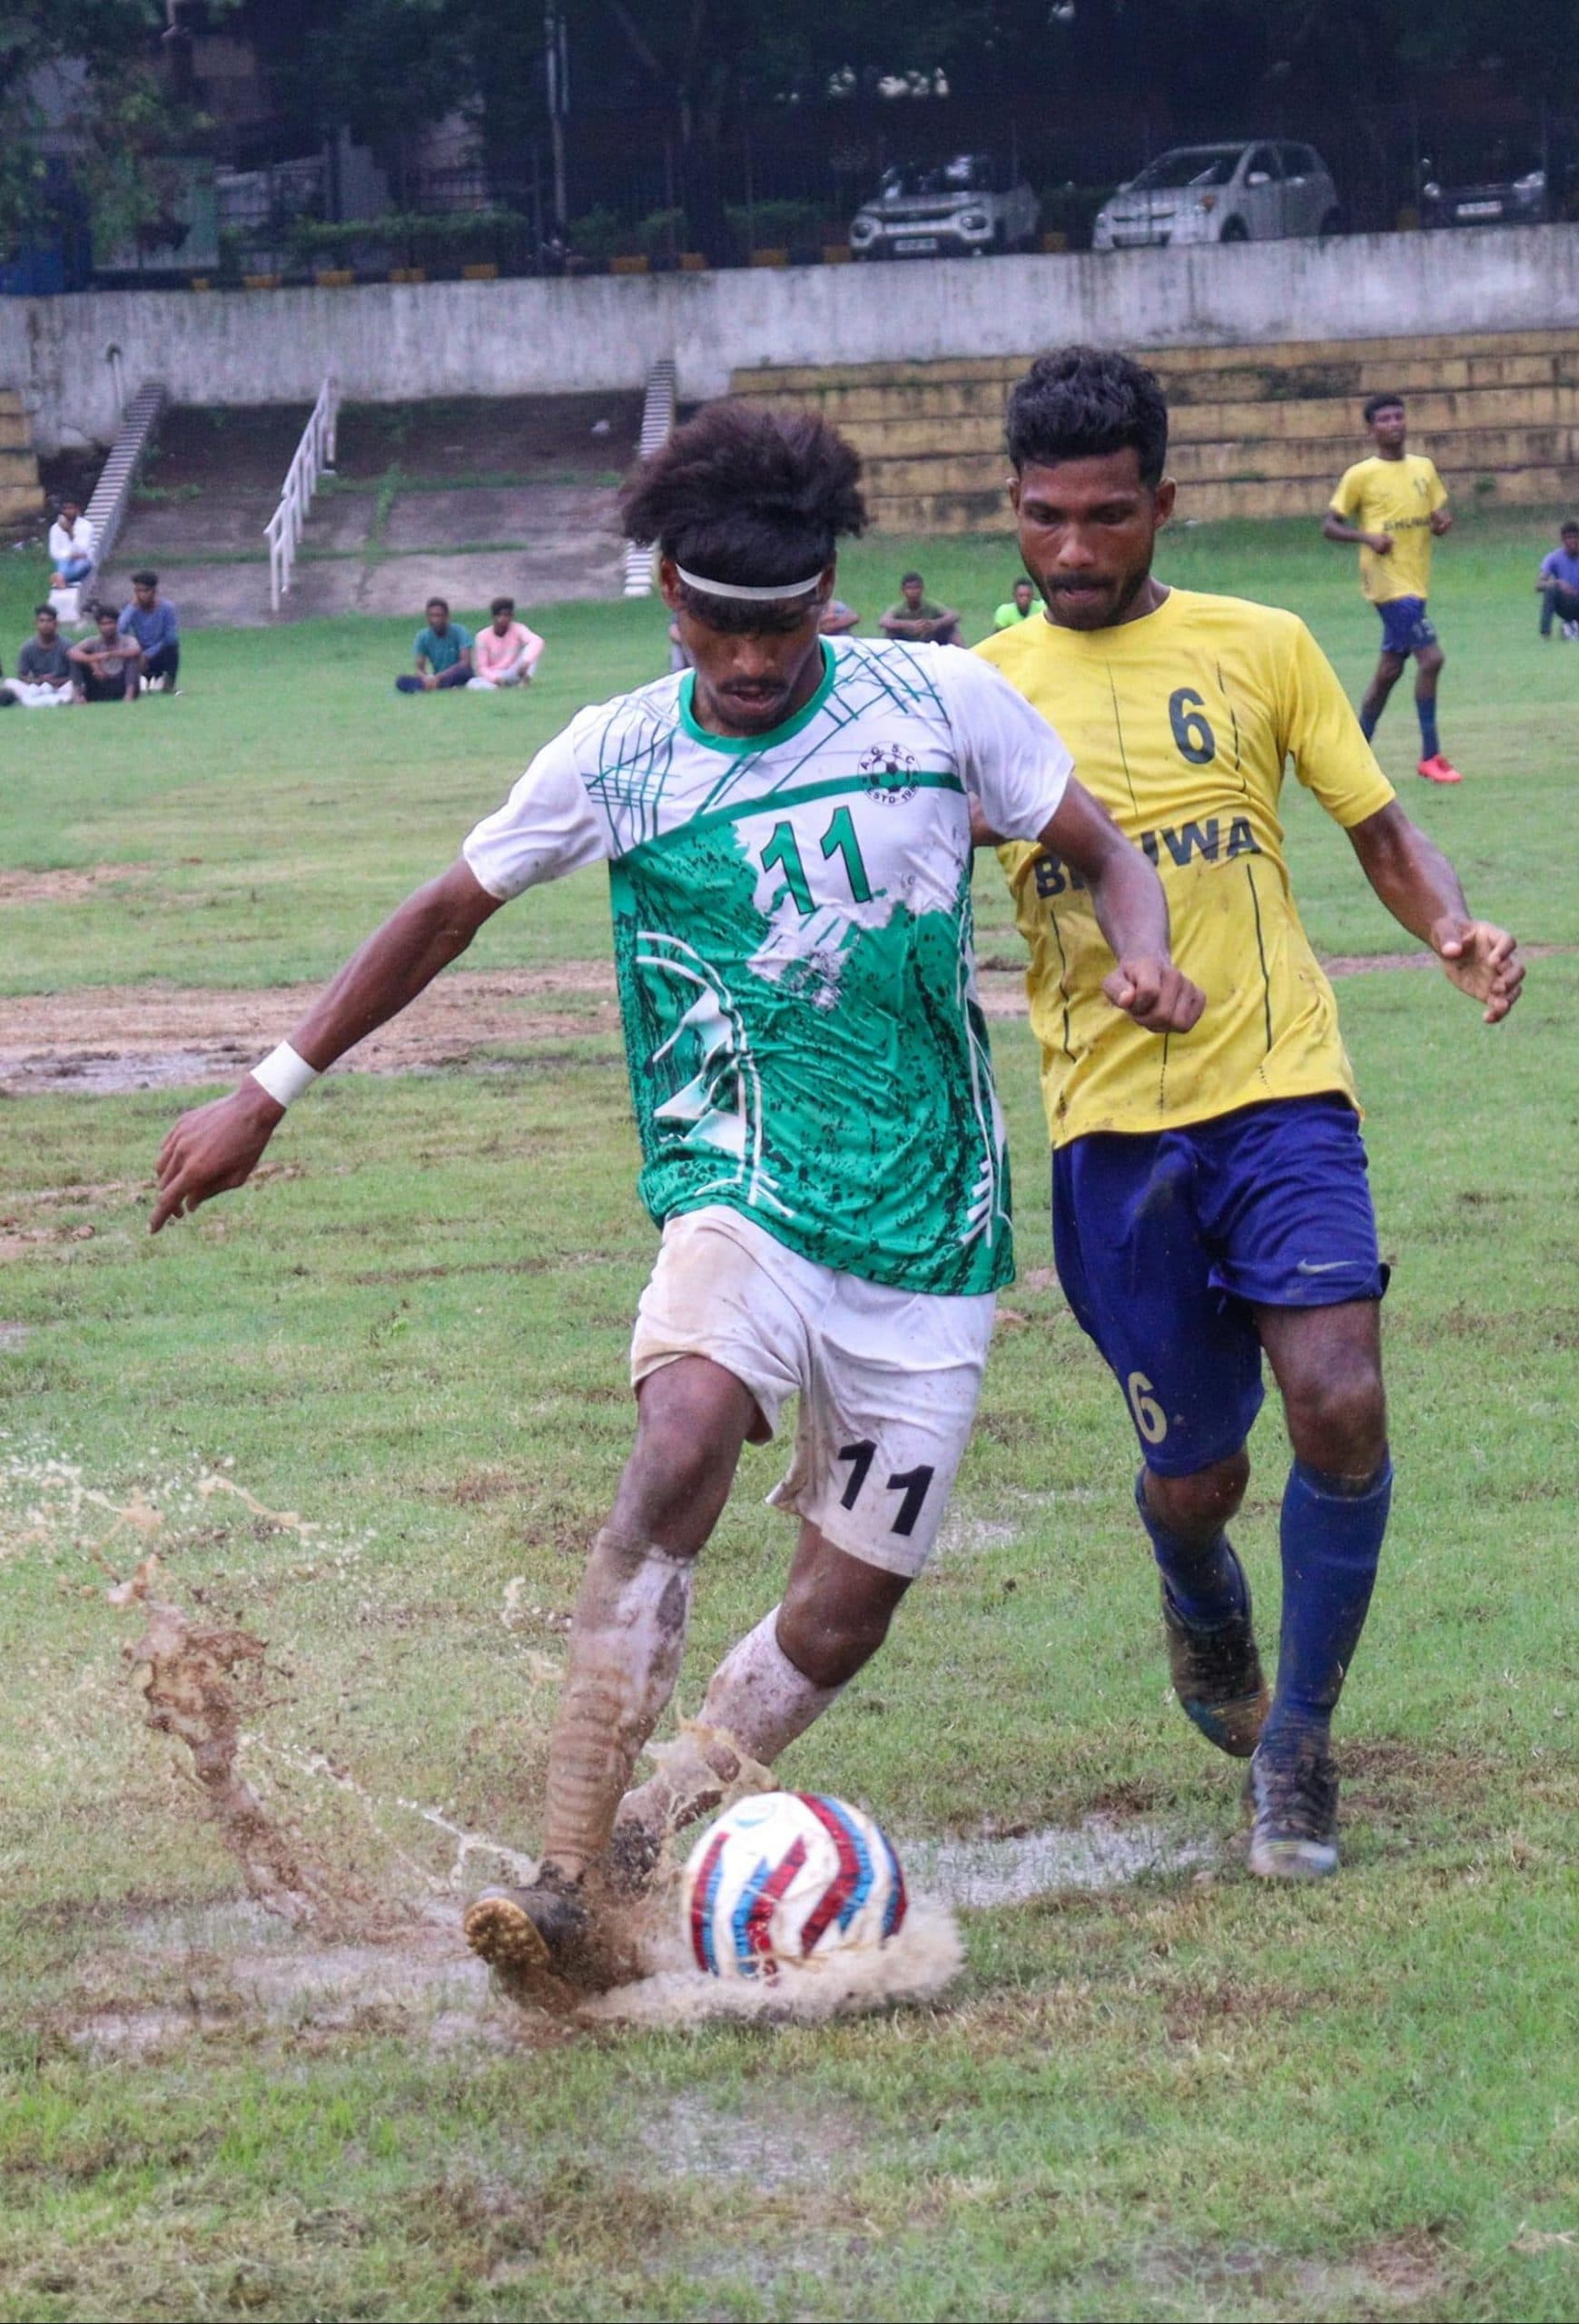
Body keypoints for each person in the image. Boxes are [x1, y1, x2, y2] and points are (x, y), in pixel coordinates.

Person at [149, 399, 1202, 2001]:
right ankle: (565, 1872)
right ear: (667, 598)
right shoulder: (618, 752)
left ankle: (659, 1821)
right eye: (721, 622)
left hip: (931, 1234)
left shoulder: (941, 703)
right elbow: (446, 909)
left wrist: (1142, 945)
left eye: (784, 623)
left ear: (828, 593)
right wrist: (265, 1091)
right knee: (683, 1429)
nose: (757, 658)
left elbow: (1099, 846)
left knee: (842, 1620)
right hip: (741, 1186)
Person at [975, 346, 1523, 1881]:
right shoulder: (978, 697)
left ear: (1162, 501)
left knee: (1339, 1395)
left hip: (1283, 1093)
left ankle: (1296, 1753)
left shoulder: (1265, 645)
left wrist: (1452, 932)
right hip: (1110, 1136)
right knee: (1198, 1472)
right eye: (1041, 521)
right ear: (1009, 515)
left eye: (1103, 517)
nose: (1072, 552)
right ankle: (1191, 1575)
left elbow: (1381, 826)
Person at [1323, 394, 1459, 784]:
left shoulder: (1424, 468)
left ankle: (1353, 755)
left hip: (1416, 578)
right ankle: (1430, 756)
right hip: (1386, 582)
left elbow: (1433, 512)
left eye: (1399, 416)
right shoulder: (1360, 475)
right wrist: (1367, 537)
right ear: (1370, 429)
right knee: (1431, 659)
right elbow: (1329, 525)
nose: (1394, 424)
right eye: (1384, 419)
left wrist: (1439, 523)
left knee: (1389, 671)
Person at [0, 605, 77, 706]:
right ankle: (53, 701)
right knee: (9, 682)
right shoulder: (27, 647)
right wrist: (39, 681)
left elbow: (76, 675)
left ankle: (39, 702)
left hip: (61, 687)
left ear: (56, 623)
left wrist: (54, 681)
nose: (45, 624)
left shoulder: (68, 645)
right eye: (42, 621)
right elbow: (22, 676)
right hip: (36, 688)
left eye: (49, 621)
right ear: (36, 623)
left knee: (74, 685)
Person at [119, 570, 181, 694]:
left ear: (154, 591)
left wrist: (147, 654)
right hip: (139, 652)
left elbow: (169, 638)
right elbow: (120, 630)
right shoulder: (132, 609)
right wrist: (131, 607)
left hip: (159, 652)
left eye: (145, 591)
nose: (142, 595)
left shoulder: (167, 608)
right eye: (138, 591)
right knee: (122, 646)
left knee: (173, 646)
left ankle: (169, 685)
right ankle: (133, 684)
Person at [67, 605, 143, 703]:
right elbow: (71, 652)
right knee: (76, 660)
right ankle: (78, 698)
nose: (108, 627)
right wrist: (93, 659)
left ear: (117, 623)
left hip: (121, 683)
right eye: (103, 624)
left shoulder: (127, 640)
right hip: (100, 683)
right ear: (98, 626)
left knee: (132, 659)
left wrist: (111, 654)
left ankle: (129, 696)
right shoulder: (92, 641)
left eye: (110, 623)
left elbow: (136, 650)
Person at [396, 598, 474, 692]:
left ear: (447, 616)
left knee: (464, 671)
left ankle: (433, 687)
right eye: (432, 616)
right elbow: (419, 669)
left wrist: (438, 677)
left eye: (439, 616)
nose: (435, 620)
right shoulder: (422, 636)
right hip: (437, 678)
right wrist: (426, 678)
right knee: (401, 681)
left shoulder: (460, 631)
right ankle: (437, 686)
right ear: (427, 617)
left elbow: (465, 662)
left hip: (455, 674)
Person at [469, 597, 545, 690]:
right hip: (496, 675)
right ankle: (499, 687)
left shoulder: (518, 628)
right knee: (472, 683)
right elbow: (482, 667)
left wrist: (526, 662)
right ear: (494, 617)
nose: (504, 618)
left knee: (531, 652)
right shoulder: (482, 636)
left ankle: (524, 681)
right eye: (501, 615)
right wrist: (495, 679)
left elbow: (537, 641)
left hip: (515, 671)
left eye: (508, 615)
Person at [880, 571, 963, 647]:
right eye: (909, 588)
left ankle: (964, 654)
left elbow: (954, 615)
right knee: (890, 632)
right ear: (903, 591)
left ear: (922, 589)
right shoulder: (899, 607)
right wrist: (910, 625)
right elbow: (883, 621)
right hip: (906, 642)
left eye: (917, 588)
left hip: (931, 641)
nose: (913, 592)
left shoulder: (930, 605)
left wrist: (936, 624)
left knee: (950, 627)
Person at [48, 497, 94, 589]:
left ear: (77, 509)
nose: (68, 511)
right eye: (65, 508)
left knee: (81, 564)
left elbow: (84, 551)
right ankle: (62, 578)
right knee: (63, 562)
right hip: (64, 561)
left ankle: (60, 578)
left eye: (71, 508)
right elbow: (53, 553)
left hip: (83, 562)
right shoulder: (55, 528)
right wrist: (69, 555)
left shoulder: (86, 526)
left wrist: (70, 534)